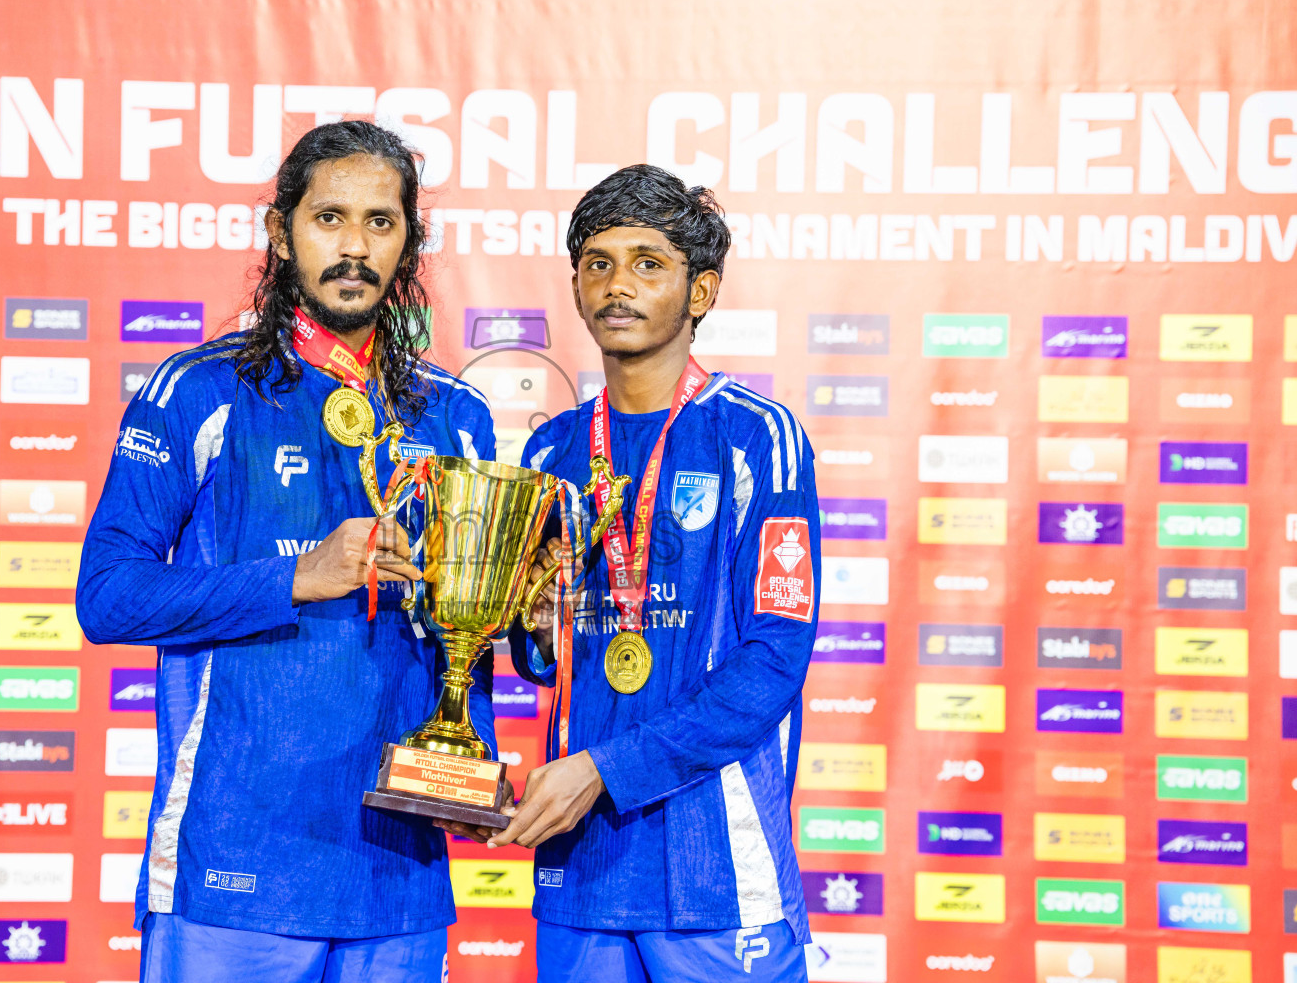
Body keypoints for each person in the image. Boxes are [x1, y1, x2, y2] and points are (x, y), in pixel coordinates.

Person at [77, 120, 498, 983]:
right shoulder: (196, 389)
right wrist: (298, 577)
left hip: (399, 875)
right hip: (235, 871)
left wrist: (473, 754)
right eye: (329, 218)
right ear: (281, 232)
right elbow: (108, 597)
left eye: (380, 223)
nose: (354, 247)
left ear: (410, 240)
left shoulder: (456, 415)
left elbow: (469, 632)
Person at [490, 165, 820, 982]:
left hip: (715, 871)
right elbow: (543, 657)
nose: (617, 285)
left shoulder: (755, 437)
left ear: (700, 291)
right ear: (573, 285)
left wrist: (605, 770)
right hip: (582, 870)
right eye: (597, 263)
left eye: (648, 262)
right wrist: (533, 627)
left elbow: (773, 660)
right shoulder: (549, 452)